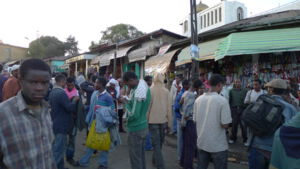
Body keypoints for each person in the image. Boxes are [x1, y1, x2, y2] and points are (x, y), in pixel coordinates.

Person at [0, 58, 56, 169]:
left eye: (44, 83)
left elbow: (48, 153)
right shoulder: (3, 114)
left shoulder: (46, 110)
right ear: (20, 81)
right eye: (33, 82)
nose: (40, 88)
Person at [248, 79, 299, 169]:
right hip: (277, 151)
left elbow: (249, 121)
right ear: (284, 91)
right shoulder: (291, 108)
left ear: (270, 90)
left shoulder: (260, 102)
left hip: (257, 147)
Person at [78, 77, 119, 169]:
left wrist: (104, 116)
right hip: (94, 123)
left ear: (101, 85)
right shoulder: (95, 93)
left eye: (96, 83)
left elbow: (113, 111)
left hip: (104, 125)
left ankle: (102, 164)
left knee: (104, 143)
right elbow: (92, 107)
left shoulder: (108, 97)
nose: (94, 85)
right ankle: (85, 161)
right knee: (92, 142)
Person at [193, 74, 232, 169]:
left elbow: (195, 120)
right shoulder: (222, 101)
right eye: (222, 85)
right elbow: (225, 124)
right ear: (219, 85)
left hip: (202, 142)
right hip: (218, 145)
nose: (222, 88)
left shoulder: (198, 100)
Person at [49, 74, 79, 169]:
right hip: (61, 125)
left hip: (55, 123)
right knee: (58, 150)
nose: (66, 84)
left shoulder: (53, 92)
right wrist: (74, 100)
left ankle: (60, 166)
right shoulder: (61, 93)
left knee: (59, 148)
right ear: (62, 81)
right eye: (65, 82)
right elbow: (70, 108)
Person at [123, 72, 151, 169]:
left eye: (127, 84)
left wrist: (125, 104)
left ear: (131, 80)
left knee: (135, 159)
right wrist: (128, 100)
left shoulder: (138, 91)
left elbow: (134, 114)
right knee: (140, 157)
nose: (128, 87)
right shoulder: (142, 85)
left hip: (136, 128)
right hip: (143, 125)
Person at [147, 73, 172, 169]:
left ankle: (156, 160)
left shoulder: (150, 90)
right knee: (159, 143)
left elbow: (148, 107)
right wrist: (170, 123)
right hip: (163, 121)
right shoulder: (166, 91)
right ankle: (160, 165)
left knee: (157, 143)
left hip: (152, 121)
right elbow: (169, 108)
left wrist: (146, 120)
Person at [180, 79, 203, 169]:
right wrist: (186, 119)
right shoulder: (191, 95)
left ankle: (183, 162)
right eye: (200, 87)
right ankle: (188, 165)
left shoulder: (185, 93)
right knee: (190, 145)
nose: (201, 89)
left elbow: (180, 104)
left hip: (185, 121)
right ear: (197, 87)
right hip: (189, 122)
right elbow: (187, 110)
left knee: (186, 144)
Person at [244, 79, 266, 146]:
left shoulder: (264, 92)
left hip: (261, 114)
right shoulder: (250, 92)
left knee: (260, 128)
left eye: (256, 84)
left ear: (260, 85)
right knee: (250, 128)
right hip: (252, 113)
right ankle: (249, 141)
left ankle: (259, 143)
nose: (255, 86)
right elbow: (245, 101)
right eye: (254, 84)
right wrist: (254, 103)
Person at [174, 79, 190, 163]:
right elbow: (176, 108)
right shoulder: (181, 95)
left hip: (185, 119)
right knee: (180, 140)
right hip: (180, 119)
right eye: (189, 85)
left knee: (184, 139)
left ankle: (183, 157)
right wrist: (181, 103)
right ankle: (180, 157)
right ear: (185, 86)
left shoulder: (187, 94)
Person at [228, 79, 248, 145]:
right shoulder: (231, 91)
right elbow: (230, 101)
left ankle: (245, 140)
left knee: (243, 125)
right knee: (234, 124)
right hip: (234, 109)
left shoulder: (245, 90)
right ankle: (233, 138)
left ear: (241, 83)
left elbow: (247, 99)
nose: (237, 83)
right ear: (234, 83)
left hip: (243, 109)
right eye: (236, 82)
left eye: (239, 82)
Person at [144, 75, 153, 151]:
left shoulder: (147, 88)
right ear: (147, 81)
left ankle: (147, 145)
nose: (151, 82)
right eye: (151, 80)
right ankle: (147, 145)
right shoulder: (147, 89)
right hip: (146, 112)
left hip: (145, 112)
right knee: (147, 130)